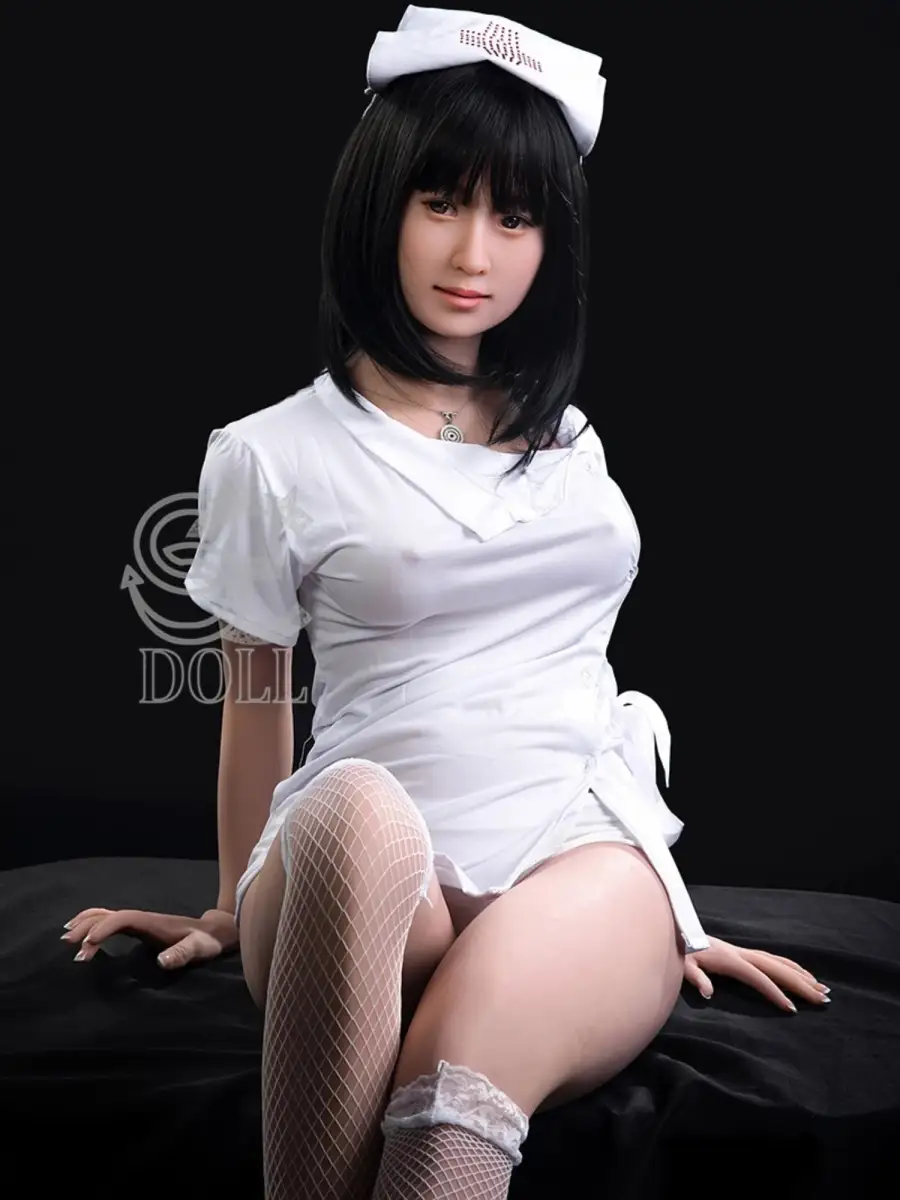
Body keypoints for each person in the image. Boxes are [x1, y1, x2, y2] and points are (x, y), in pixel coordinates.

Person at [62, 7, 831, 1199]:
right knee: (359, 809)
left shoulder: (571, 442)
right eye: (441, 203)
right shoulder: (270, 454)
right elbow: (256, 696)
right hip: (368, 874)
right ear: (378, 207)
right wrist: (225, 905)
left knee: (454, 1085)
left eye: (515, 217)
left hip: (571, 852)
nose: (475, 252)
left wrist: (651, 919)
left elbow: (574, 671)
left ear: (551, 242)